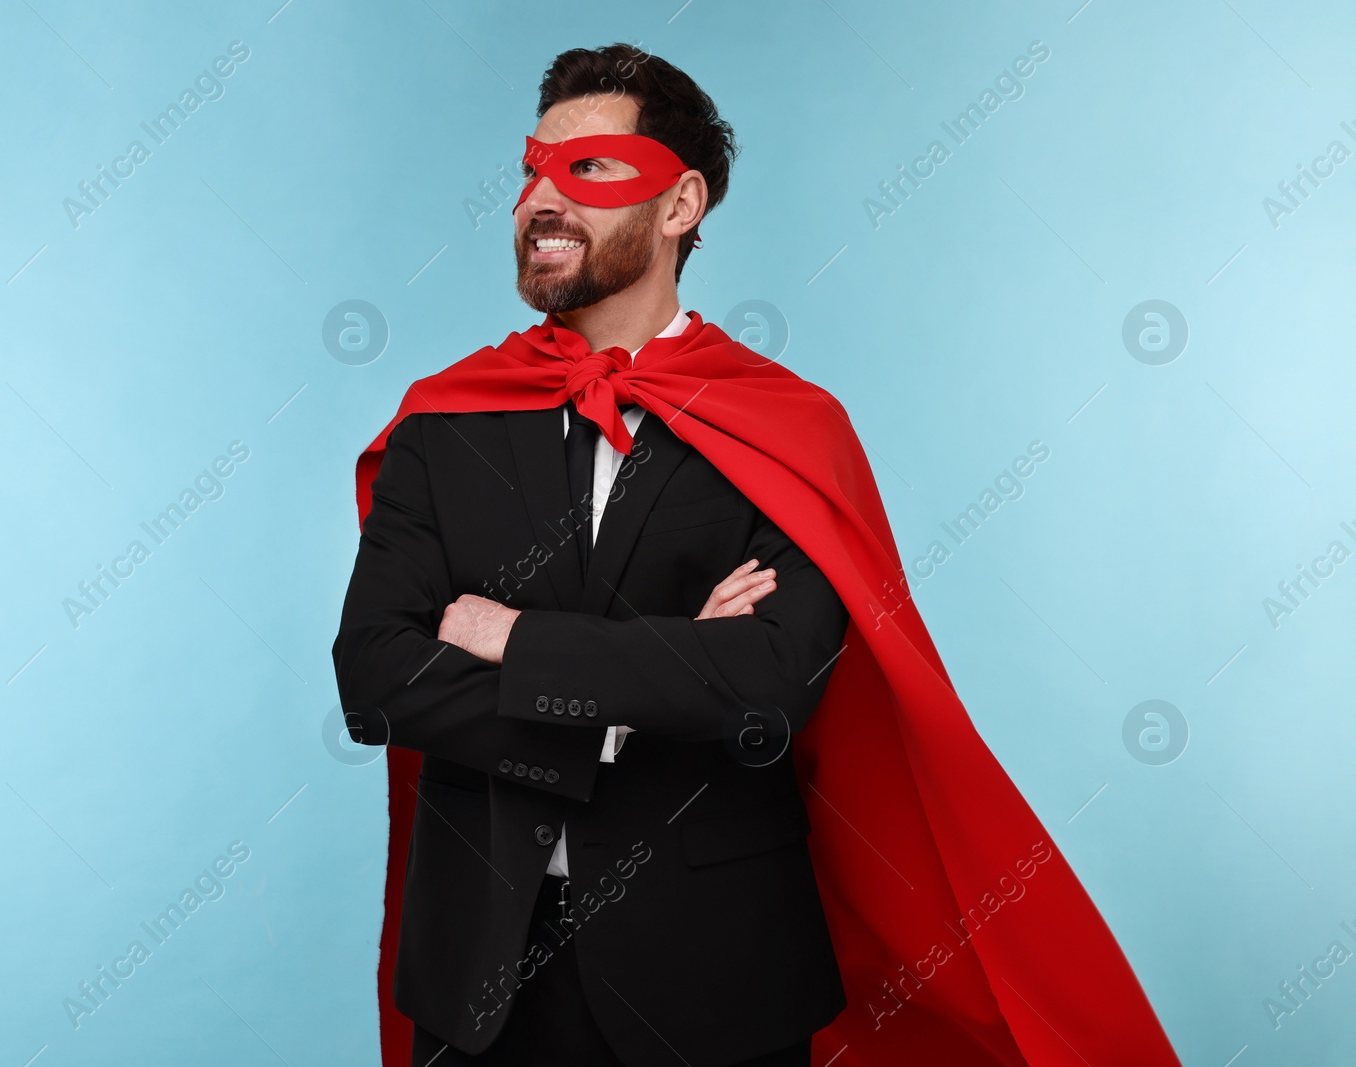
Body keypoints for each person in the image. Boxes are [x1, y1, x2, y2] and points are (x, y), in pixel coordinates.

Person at [335, 43, 1183, 1067]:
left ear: (681, 202)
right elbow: (379, 678)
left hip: (716, 982)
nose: (538, 200)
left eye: (589, 169)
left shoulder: (787, 427)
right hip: (480, 981)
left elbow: (767, 689)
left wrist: (506, 635)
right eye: (529, 172)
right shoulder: (447, 418)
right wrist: (640, 692)